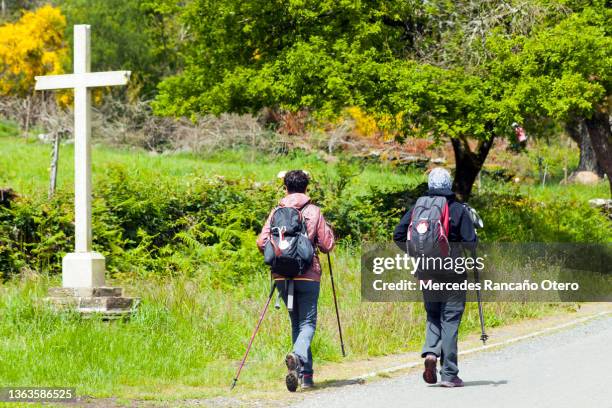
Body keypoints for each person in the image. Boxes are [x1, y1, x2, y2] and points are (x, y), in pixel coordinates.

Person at [393, 168, 477, 388]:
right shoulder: (458, 209)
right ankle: (449, 373)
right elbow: (470, 244)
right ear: (449, 185)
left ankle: (431, 351)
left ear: (430, 185)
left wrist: (417, 254)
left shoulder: (418, 208)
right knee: (450, 320)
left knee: (433, 315)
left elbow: (398, 235)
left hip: (427, 271)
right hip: (453, 273)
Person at [257, 170, 335, 391]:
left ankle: (305, 375)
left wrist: (281, 250)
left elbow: (261, 241)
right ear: (306, 187)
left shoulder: (276, 211)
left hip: (282, 275)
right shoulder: (313, 211)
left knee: (296, 323)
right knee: (308, 323)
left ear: (285, 188)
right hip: (308, 275)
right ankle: (299, 358)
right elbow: (327, 245)